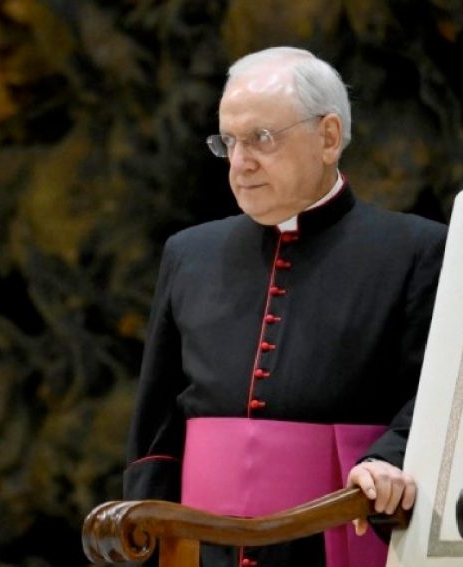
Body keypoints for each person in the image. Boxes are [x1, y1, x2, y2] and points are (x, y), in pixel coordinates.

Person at [123, 46, 446, 566]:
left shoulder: (416, 251)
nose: (240, 162)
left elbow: (438, 396)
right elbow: (157, 423)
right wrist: (143, 535)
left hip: (342, 537)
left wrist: (389, 458)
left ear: (329, 137)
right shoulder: (188, 253)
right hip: (201, 549)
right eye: (229, 142)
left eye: (262, 138)